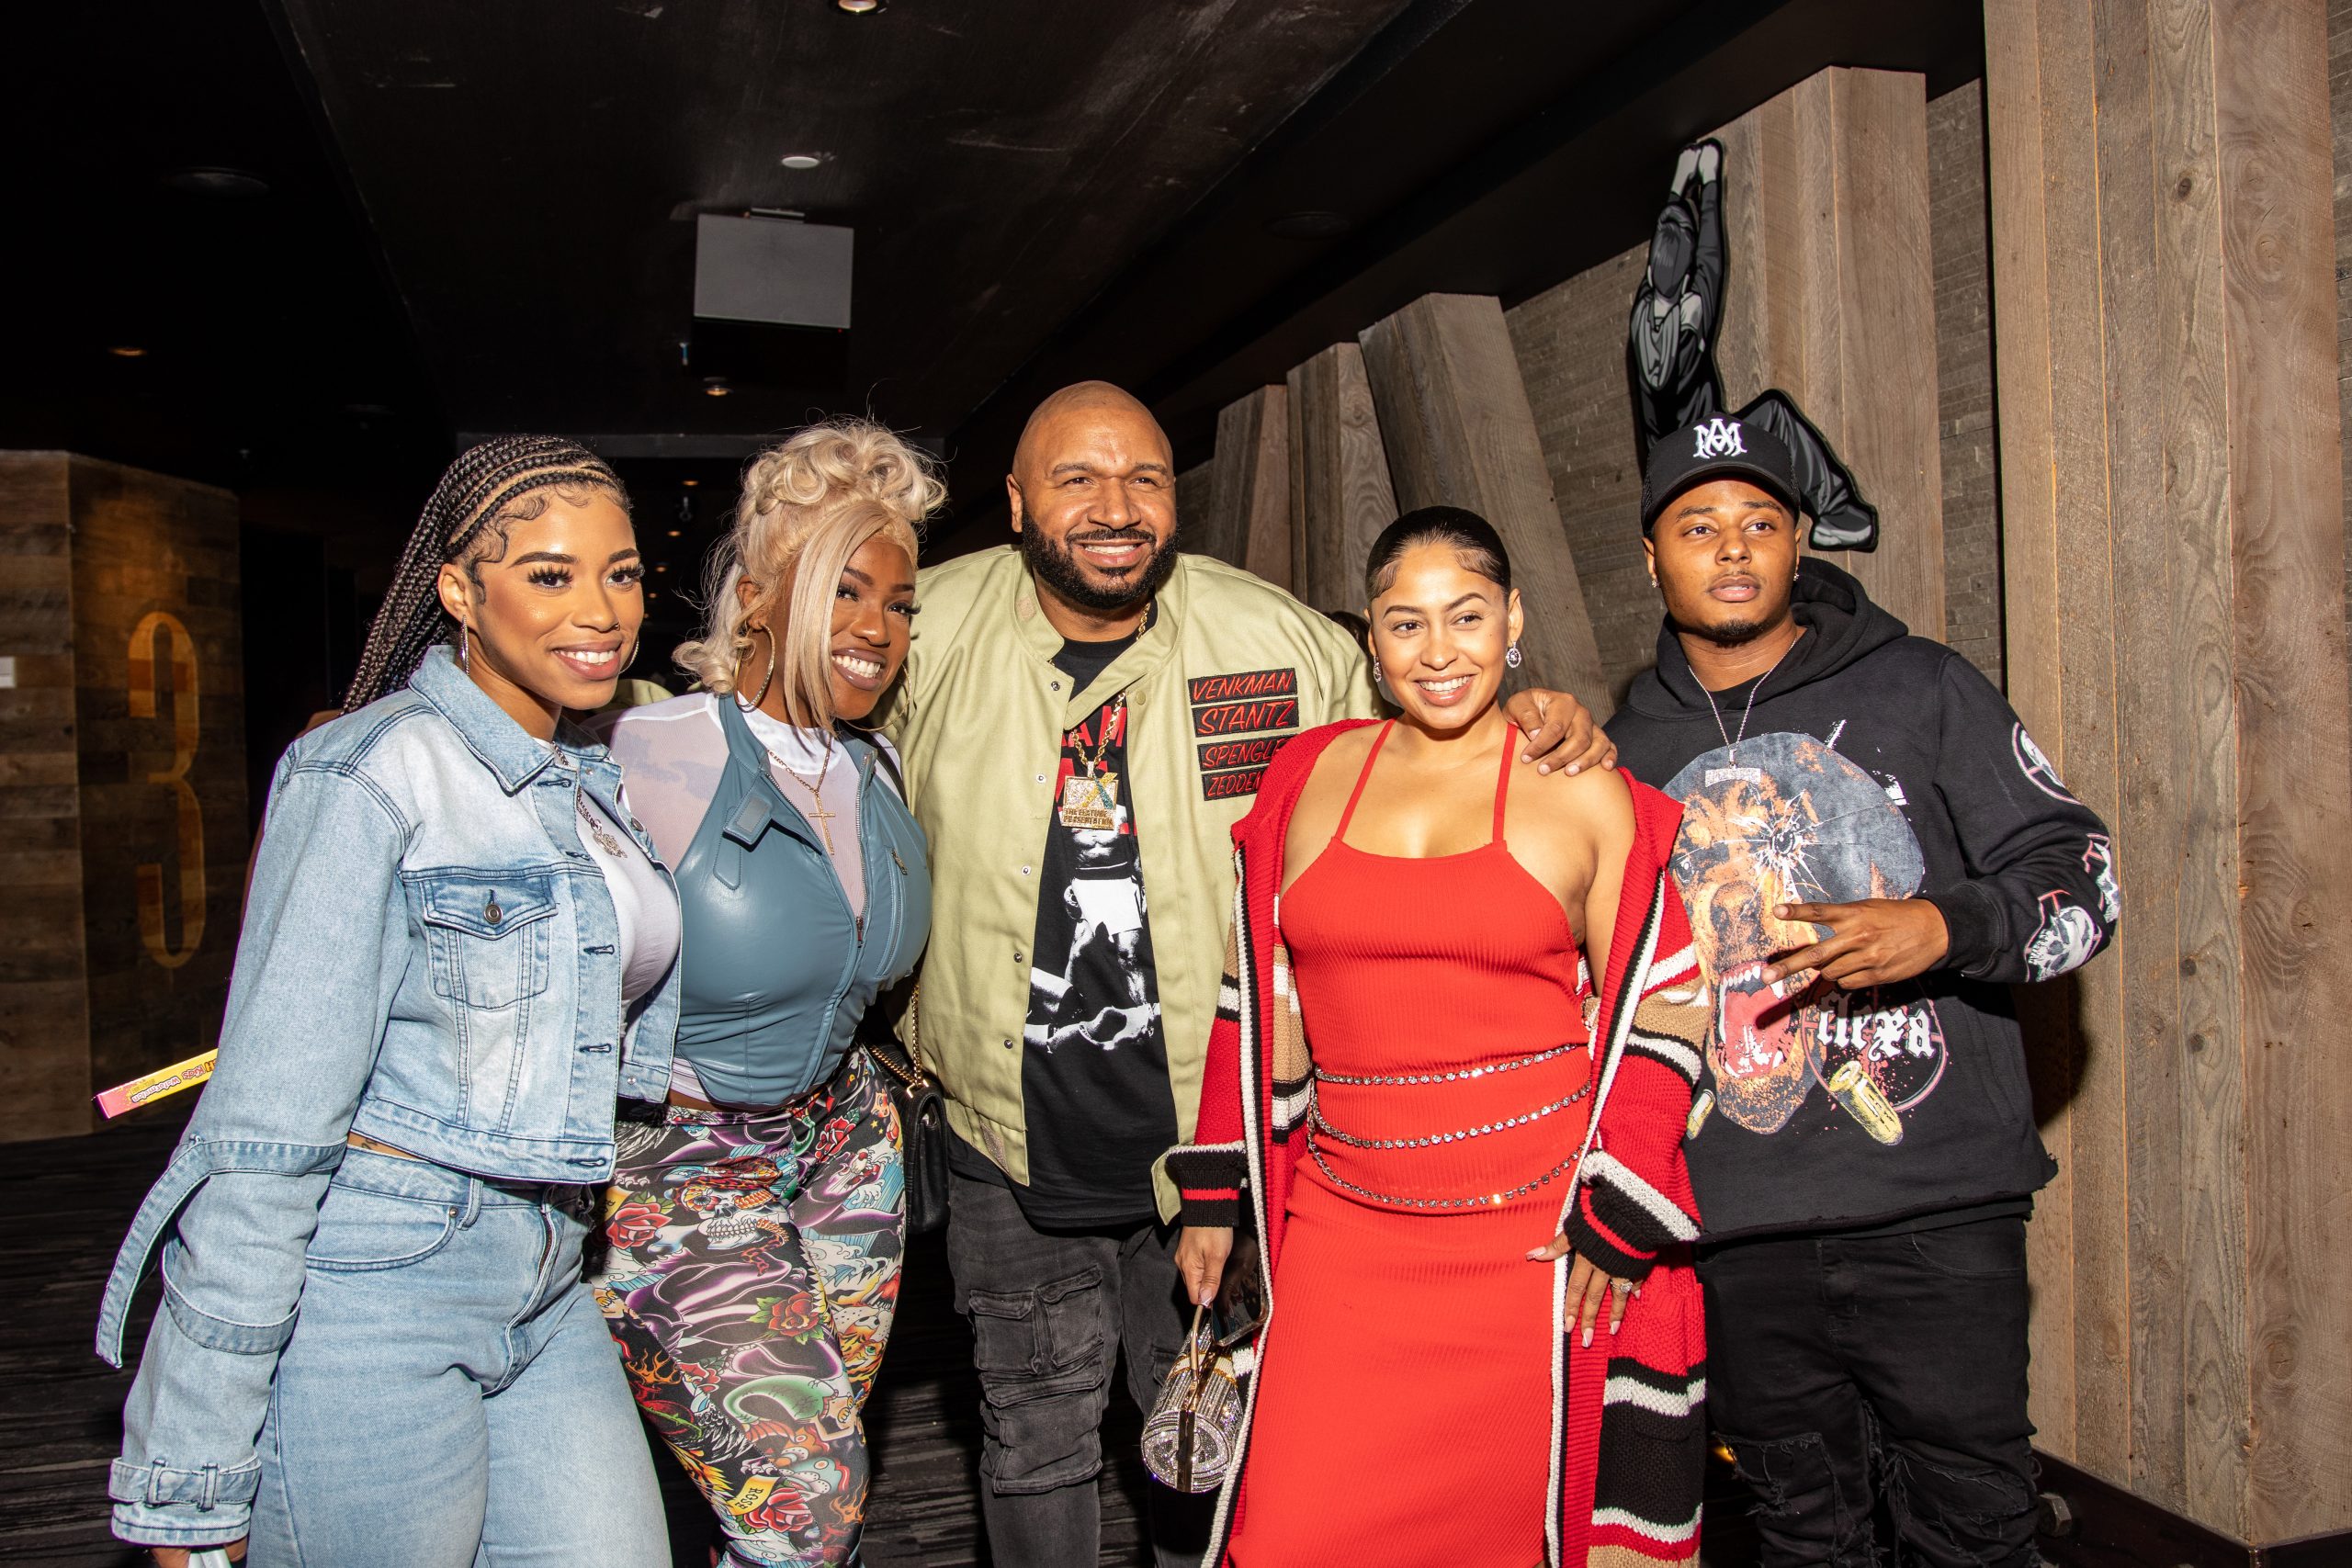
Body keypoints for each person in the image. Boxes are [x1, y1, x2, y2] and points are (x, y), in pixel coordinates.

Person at [872, 381, 1617, 1568]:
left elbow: (1427, 713)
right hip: (1008, 1137)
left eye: (1146, 478)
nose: (1116, 507)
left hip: (1215, 1142)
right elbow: (793, 718)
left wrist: (1529, 712)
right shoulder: (926, 630)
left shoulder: (1272, 640)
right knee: (1032, 1435)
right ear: (1014, 502)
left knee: (1210, 1445)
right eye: (1076, 479)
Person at [96, 437, 680, 1567]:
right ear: (459, 590)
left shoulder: (587, 777)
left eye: (622, 573)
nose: (601, 610)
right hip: (375, 1289)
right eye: (549, 574)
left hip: (549, 1270)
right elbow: (266, 1124)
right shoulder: (368, 774)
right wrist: (194, 1467)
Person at [1604, 412, 2120, 1567]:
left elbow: (2083, 875)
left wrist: (1944, 925)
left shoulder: (1921, 687)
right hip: (1728, 1221)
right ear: (1651, 556)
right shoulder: (1619, 752)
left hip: (1933, 1206)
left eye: (1758, 522)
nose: (1730, 548)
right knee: (1801, 1533)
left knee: (1976, 1527)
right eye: (1697, 526)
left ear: (1798, 543)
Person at [1166, 510, 1711, 1567]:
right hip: (1342, 1234)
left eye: (1466, 616)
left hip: (1531, 1247)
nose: (1437, 650)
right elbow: (1254, 997)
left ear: (1513, 619)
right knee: (1286, 1536)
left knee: (1508, 1537)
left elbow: (1666, 1002)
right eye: (1404, 623)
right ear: (1370, 639)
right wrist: (1215, 1189)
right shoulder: (1306, 775)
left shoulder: (1585, 789)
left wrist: (1618, 1207)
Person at [589, 421, 934, 1568]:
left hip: (848, 1157)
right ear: (755, 601)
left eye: (897, 604)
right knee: (807, 1507)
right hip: (682, 1163)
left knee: (790, 1504)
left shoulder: (875, 764)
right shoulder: (649, 752)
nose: (875, 630)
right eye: (844, 592)